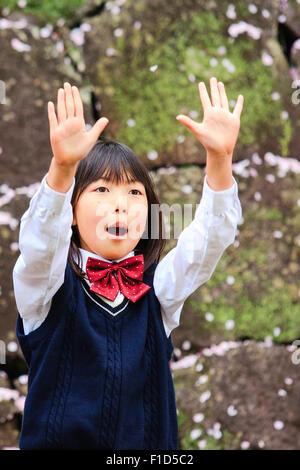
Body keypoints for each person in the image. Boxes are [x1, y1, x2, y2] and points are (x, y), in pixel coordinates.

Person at [13, 78, 243, 450]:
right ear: (70, 212)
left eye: (134, 192)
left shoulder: (160, 290)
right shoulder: (45, 290)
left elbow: (209, 240)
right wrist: (62, 170)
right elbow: (40, 245)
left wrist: (219, 160)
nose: (120, 204)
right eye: (102, 189)